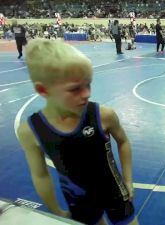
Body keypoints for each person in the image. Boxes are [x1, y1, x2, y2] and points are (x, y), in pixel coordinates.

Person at [17, 39, 139, 225]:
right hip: (78, 199)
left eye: (88, 84)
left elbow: (123, 141)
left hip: (114, 191)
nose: (87, 94)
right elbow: (40, 174)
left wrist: (128, 180)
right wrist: (55, 209)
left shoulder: (103, 115)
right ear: (43, 89)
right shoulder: (31, 131)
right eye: (75, 89)